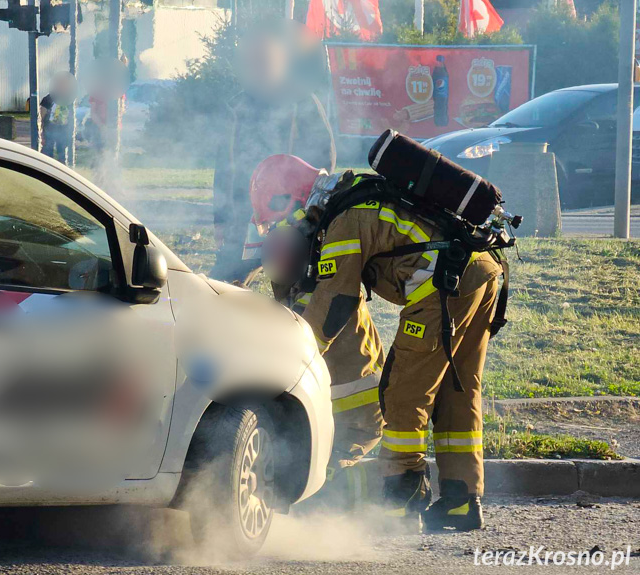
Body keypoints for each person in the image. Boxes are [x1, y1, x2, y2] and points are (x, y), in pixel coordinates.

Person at [250, 154, 506, 531]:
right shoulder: (358, 197)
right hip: (481, 272)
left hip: (444, 285)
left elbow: (335, 302)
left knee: (404, 392)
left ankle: (401, 502)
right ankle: (461, 500)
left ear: (292, 201)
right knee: (458, 389)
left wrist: (294, 358)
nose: (286, 229)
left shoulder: (344, 219)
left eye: (283, 219)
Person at [211, 21, 335, 283]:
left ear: (281, 61)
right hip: (244, 215)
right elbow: (224, 168)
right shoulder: (237, 107)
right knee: (222, 285)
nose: (258, 68)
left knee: (297, 287)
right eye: (252, 61)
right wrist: (220, 219)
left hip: (293, 214)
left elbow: (325, 158)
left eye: (264, 60)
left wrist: (306, 209)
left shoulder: (303, 102)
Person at [40, 71, 78, 163]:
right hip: (49, 131)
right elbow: (41, 116)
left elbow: (73, 116)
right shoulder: (48, 98)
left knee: (63, 154)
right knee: (47, 153)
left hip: (64, 131)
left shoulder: (71, 99)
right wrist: (41, 133)